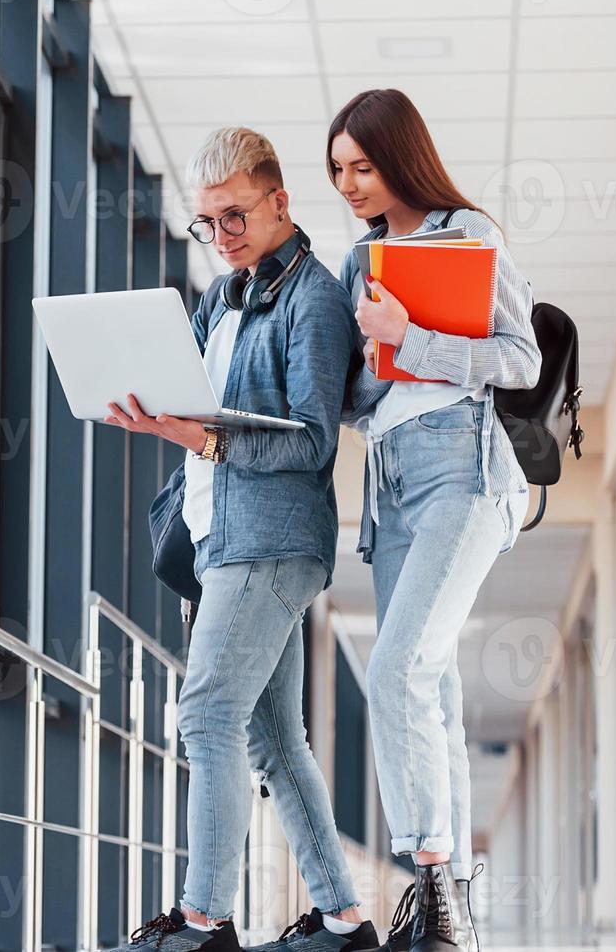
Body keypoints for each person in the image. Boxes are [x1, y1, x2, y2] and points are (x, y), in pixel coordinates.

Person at [101, 127, 378, 952]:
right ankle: (343, 918)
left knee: (207, 711)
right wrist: (143, 402)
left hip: (273, 539)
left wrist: (204, 440)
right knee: (269, 735)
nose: (220, 237)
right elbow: (187, 392)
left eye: (234, 216)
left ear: (280, 203)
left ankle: (204, 919)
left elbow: (310, 442)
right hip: (219, 536)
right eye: (206, 224)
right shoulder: (221, 298)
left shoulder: (314, 300)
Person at [329, 89, 542, 952]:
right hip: (389, 481)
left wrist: (407, 336)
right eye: (337, 170)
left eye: (363, 167)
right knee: (435, 687)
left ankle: (430, 881)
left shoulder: (469, 235)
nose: (348, 185)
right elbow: (354, 399)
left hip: (464, 468)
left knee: (395, 669)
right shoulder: (359, 259)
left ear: (400, 157)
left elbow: (519, 360)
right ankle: (447, 904)